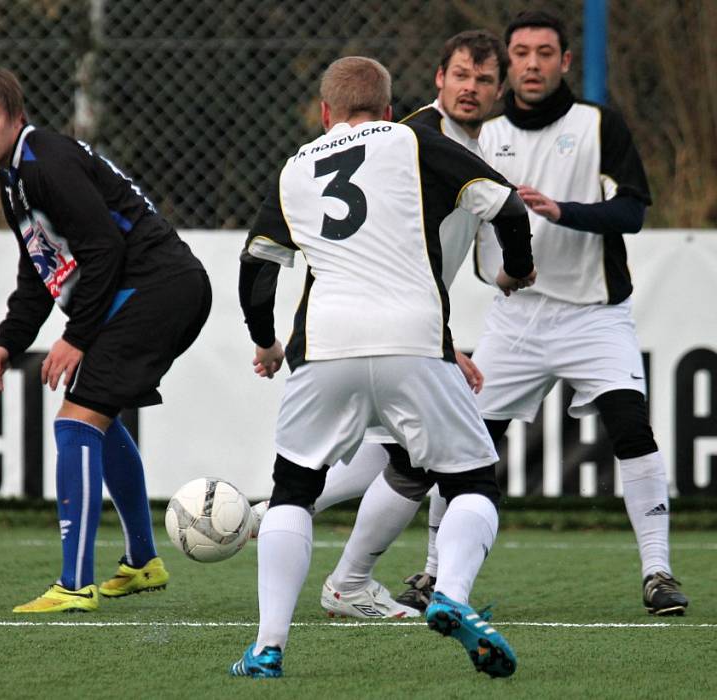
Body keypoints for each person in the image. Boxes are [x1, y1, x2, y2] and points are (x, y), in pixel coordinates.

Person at [231, 55, 535, 680]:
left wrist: (265, 340)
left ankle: (268, 648)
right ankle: (449, 588)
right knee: (471, 482)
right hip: (412, 338)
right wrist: (518, 267)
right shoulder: (414, 141)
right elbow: (507, 208)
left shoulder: (297, 165)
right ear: (391, 108)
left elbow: (256, 268)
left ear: (324, 113)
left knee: (293, 490)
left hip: (324, 343)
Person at [400, 9, 688, 617]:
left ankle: (658, 572)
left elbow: (632, 212)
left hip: (594, 316)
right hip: (517, 320)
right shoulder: (484, 136)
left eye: (545, 52)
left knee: (632, 430)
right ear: (507, 68)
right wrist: (502, 274)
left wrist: (563, 211)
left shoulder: (598, 124)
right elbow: (477, 248)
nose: (533, 64)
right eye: (522, 54)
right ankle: (430, 573)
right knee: (465, 445)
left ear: (563, 61)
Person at [0, 65, 211, 613]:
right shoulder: (17, 174)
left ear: (17, 117)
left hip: (158, 290)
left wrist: (77, 336)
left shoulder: (45, 161)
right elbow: (40, 269)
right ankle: (142, 562)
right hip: (156, 291)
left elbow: (103, 249)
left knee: (74, 421)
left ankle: (75, 584)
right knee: (95, 416)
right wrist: (8, 343)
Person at [311, 30, 514, 619]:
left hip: (390, 323)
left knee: (398, 457)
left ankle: (271, 517)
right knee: (423, 461)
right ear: (438, 79)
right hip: (387, 325)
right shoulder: (416, 142)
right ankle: (358, 579)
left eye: (481, 79)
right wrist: (443, 343)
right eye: (460, 76)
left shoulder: (472, 147)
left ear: (496, 89)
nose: (470, 88)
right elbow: (396, 248)